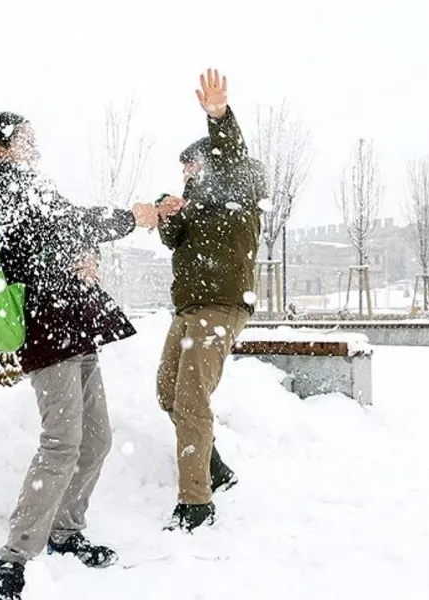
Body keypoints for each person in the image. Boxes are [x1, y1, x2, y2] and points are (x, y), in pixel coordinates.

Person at [0, 112, 174, 600]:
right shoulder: (2, 185)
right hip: (46, 329)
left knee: (97, 438)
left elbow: (62, 233)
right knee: (62, 443)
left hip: (74, 323)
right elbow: (64, 225)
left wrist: (86, 256)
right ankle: (10, 560)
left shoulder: (28, 184)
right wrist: (132, 218)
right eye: (26, 140)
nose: (37, 148)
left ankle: (65, 531)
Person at [155, 69, 268, 532]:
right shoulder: (195, 205)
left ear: (211, 163)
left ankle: (196, 504)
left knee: (190, 399)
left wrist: (219, 116)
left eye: (192, 167)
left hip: (220, 306)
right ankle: (214, 466)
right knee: (168, 392)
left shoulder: (238, 187)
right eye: (183, 170)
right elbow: (172, 239)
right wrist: (167, 212)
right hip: (189, 308)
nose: (187, 174)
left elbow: (231, 153)